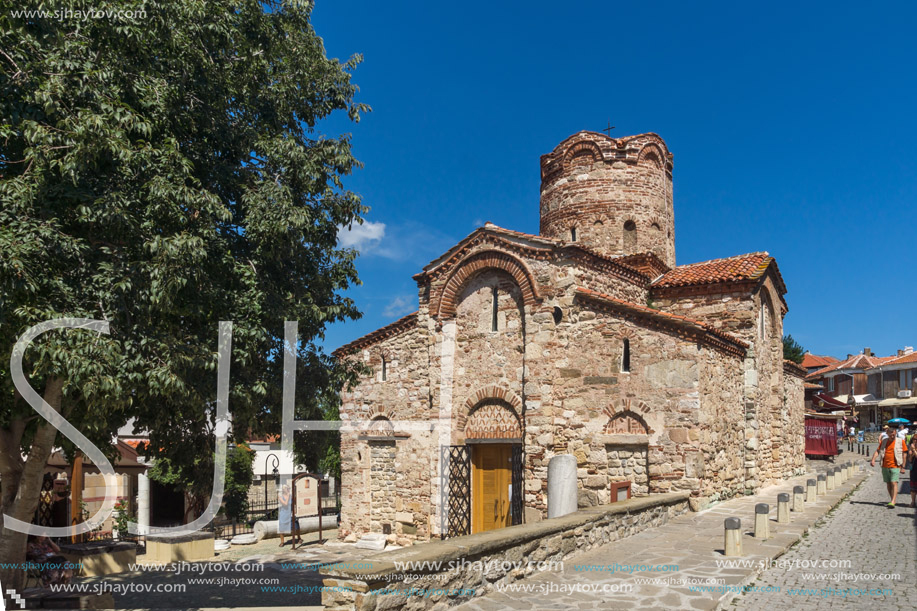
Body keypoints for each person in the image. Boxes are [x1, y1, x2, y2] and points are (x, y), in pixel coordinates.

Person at [871, 425, 908, 508]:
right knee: (888, 483)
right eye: (891, 434)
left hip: (896, 465)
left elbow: (904, 454)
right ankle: (892, 499)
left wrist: (903, 466)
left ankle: (893, 501)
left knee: (893, 482)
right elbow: (878, 451)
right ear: (887, 434)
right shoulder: (884, 441)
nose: (892, 436)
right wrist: (873, 459)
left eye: (894, 434)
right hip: (885, 465)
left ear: (896, 433)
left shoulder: (900, 441)